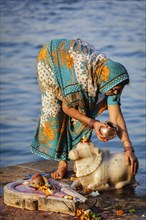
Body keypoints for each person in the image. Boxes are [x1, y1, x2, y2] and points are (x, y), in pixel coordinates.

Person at [31, 38, 139, 179]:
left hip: (76, 64)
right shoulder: (85, 79)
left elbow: (116, 116)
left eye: (120, 90)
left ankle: (78, 160)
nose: (117, 93)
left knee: (85, 111)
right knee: (57, 111)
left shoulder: (111, 79)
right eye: (116, 90)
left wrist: (128, 148)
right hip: (51, 59)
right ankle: (62, 163)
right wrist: (94, 124)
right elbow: (67, 109)